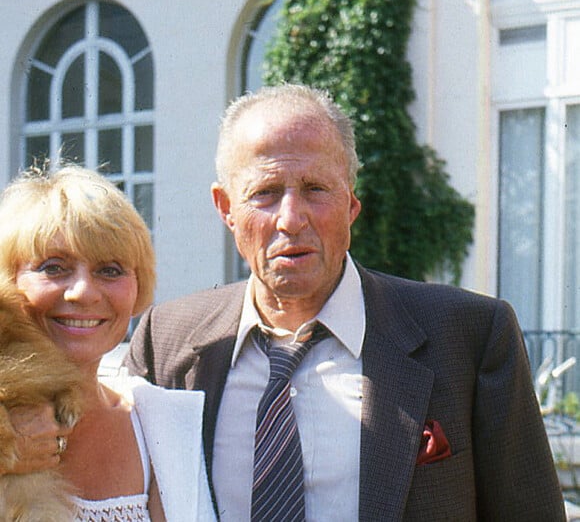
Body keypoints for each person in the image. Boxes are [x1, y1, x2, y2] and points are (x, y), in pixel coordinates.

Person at [123, 83, 566, 520]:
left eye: (316, 188)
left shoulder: (468, 337)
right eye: (265, 193)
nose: (291, 219)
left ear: (351, 202)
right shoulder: (167, 345)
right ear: (225, 208)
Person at [0, 165, 215, 521]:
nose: (83, 292)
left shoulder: (164, 424)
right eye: (53, 267)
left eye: (110, 270)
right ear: (7, 284)